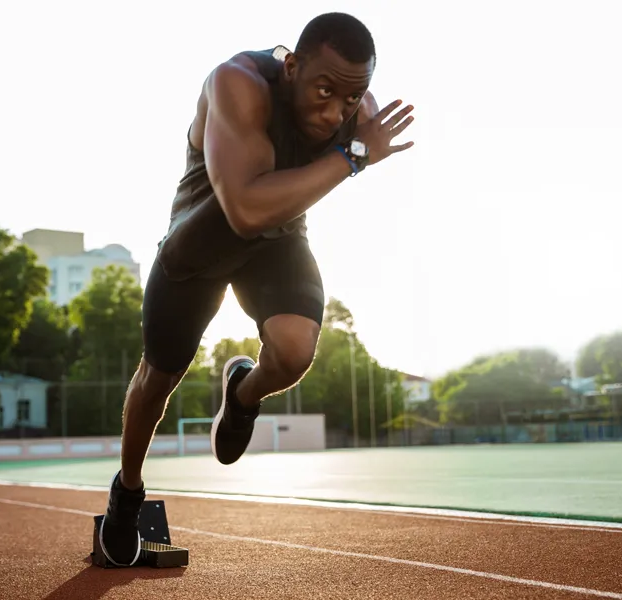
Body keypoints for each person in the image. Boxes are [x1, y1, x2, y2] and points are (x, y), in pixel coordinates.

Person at [98, 11, 415, 566]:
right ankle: (127, 490)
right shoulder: (236, 83)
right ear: (291, 66)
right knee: (158, 378)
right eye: (324, 91)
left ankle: (242, 392)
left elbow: (291, 196)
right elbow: (243, 209)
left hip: (278, 236)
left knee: (294, 352)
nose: (335, 112)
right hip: (203, 237)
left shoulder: (357, 112)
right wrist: (355, 155)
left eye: (350, 100)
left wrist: (352, 146)